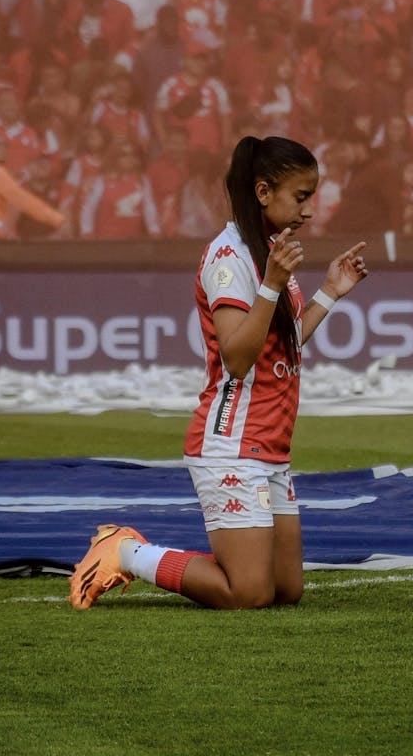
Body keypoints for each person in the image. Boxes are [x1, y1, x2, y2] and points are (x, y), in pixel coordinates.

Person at [68, 135, 368, 610]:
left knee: (286, 592)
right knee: (248, 593)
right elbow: (238, 357)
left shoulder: (269, 251)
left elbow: (281, 340)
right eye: (302, 196)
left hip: (270, 444)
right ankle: (125, 550)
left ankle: (211, 555)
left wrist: (330, 292)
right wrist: (271, 282)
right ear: (264, 192)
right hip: (231, 444)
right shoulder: (229, 258)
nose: (309, 210)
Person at [0, 132, 68, 240]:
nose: (3, 148)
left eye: (5, 144)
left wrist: (8, 233)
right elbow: (21, 199)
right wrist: (58, 219)